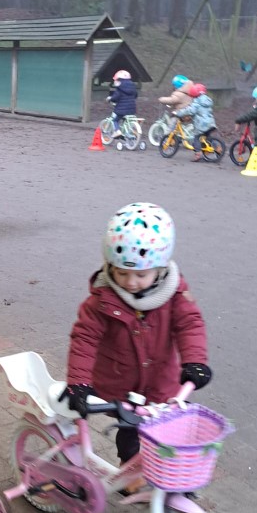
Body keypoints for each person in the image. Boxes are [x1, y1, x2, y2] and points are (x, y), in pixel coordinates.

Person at [64, 201, 211, 474]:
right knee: (130, 434)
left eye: (141, 275)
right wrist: (78, 383)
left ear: (160, 269)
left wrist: (195, 361)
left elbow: (190, 324)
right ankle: (128, 472)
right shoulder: (102, 300)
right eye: (122, 273)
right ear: (110, 266)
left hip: (160, 385)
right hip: (120, 387)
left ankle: (165, 475)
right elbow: (84, 340)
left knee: (171, 432)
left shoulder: (174, 294)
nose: (131, 282)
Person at [174, 82, 217, 162]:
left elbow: (190, 110)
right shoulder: (207, 100)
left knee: (196, 138)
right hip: (210, 123)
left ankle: (198, 154)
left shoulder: (197, 102)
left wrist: (179, 113)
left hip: (202, 124)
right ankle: (218, 148)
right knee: (207, 137)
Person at [107, 70, 137, 138]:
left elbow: (115, 98)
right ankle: (126, 133)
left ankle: (117, 131)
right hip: (132, 109)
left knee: (115, 120)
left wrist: (110, 98)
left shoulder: (120, 88)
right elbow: (135, 96)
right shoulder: (133, 87)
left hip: (121, 110)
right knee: (125, 119)